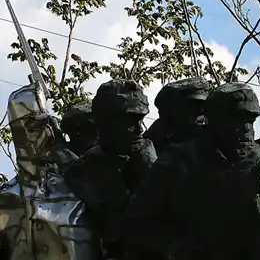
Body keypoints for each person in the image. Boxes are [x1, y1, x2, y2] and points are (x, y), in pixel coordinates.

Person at [122, 82, 260, 260]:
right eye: (237, 119)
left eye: (251, 120)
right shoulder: (175, 164)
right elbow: (137, 225)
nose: (247, 129)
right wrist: (177, 249)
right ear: (214, 121)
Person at [0, 83, 98, 260]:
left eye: (44, 125)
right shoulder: (7, 195)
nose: (40, 135)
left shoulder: (74, 180)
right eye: (31, 128)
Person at [63, 79, 156, 258]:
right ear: (107, 122)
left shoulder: (146, 151)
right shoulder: (83, 171)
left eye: (141, 119)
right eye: (131, 121)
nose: (139, 129)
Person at [144, 77, 210, 154]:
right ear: (172, 111)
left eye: (203, 105)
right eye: (195, 106)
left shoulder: (212, 136)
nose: (201, 111)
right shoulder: (157, 136)